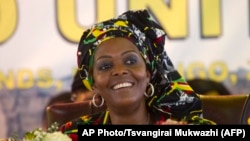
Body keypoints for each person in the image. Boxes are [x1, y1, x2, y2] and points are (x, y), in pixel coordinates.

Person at [60, 9, 216, 139]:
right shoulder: (70, 135)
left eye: (130, 61)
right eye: (105, 65)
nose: (120, 70)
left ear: (148, 73)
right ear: (93, 83)